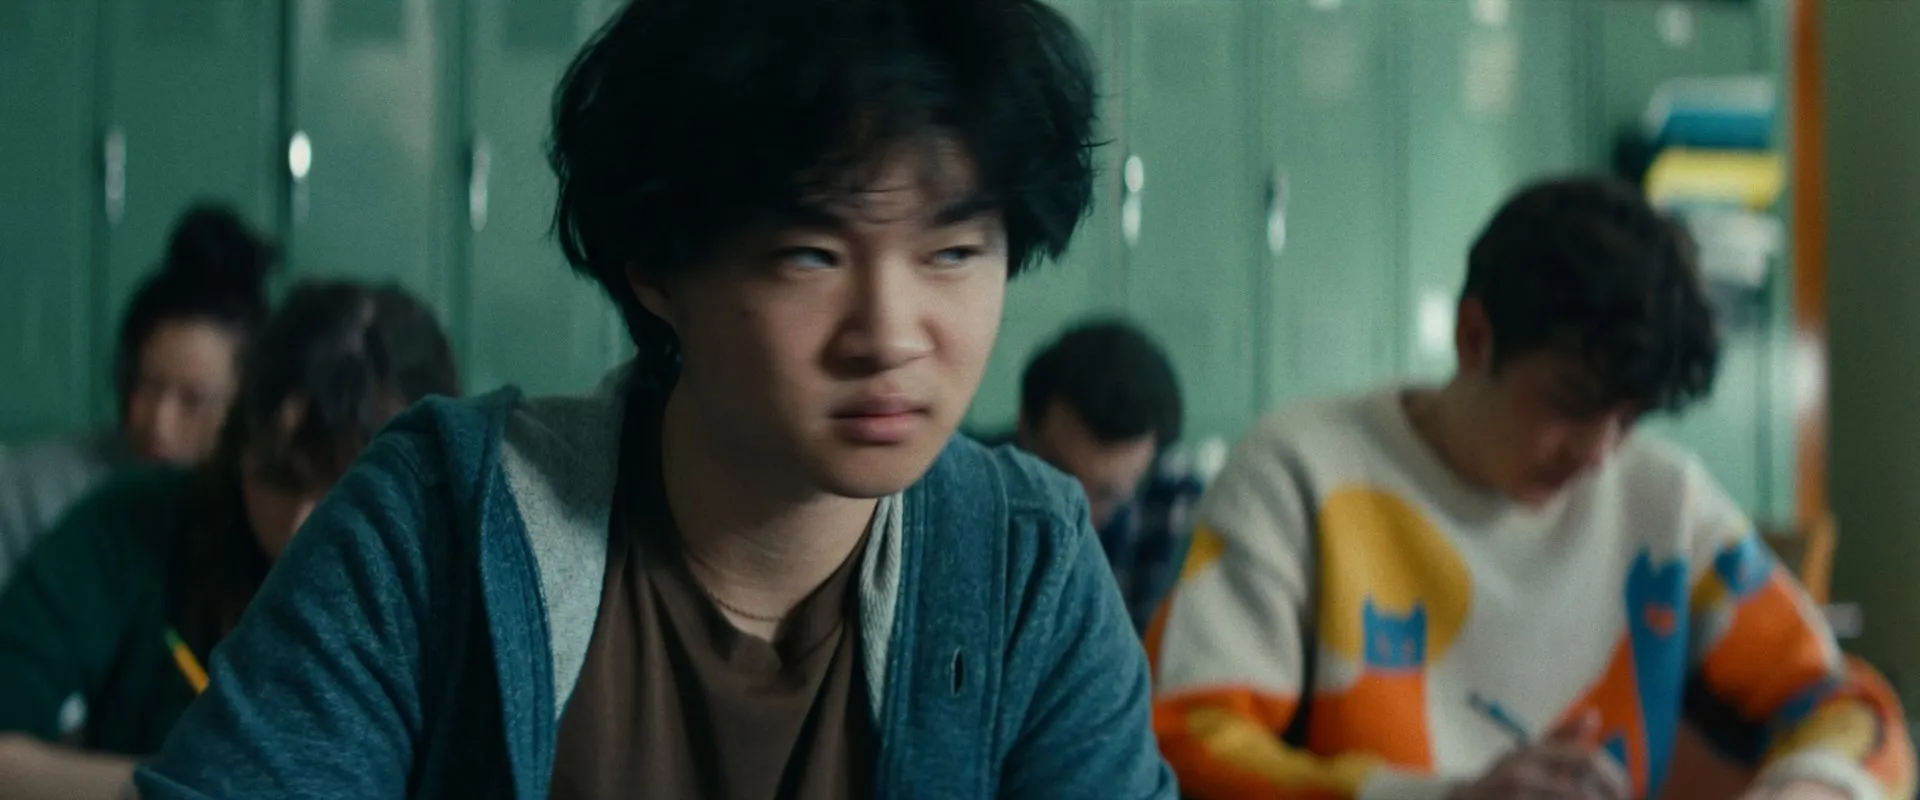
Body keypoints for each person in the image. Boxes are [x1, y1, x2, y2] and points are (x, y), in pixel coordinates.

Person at [132, 0, 1172, 797]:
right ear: (658, 267)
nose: (892, 334)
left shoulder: (1024, 565)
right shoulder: (440, 521)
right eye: (810, 253)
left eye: (953, 251)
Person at [1148, 176, 1914, 800]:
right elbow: (1185, 739)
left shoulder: (1665, 503)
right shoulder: (1299, 471)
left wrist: (1811, 789)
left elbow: (1850, 711)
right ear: (1473, 337)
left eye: (1629, 419)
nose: (1599, 455)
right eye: (1572, 404)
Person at [0, 280, 460, 799]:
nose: (300, 527)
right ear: (238, 443)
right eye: (277, 481)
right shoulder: (135, 524)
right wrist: (196, 784)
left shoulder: (460, 580)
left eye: (339, 492)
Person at [0, 204, 276, 586]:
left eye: (193, 400)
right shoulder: (33, 496)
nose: (159, 423)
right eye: (146, 385)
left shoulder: (272, 512)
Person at [1011, 318, 1197, 632]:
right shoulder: (968, 485)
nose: (1077, 512)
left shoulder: (1177, 513)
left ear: (1151, 470)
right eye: (1058, 479)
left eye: (1106, 494)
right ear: (1024, 429)